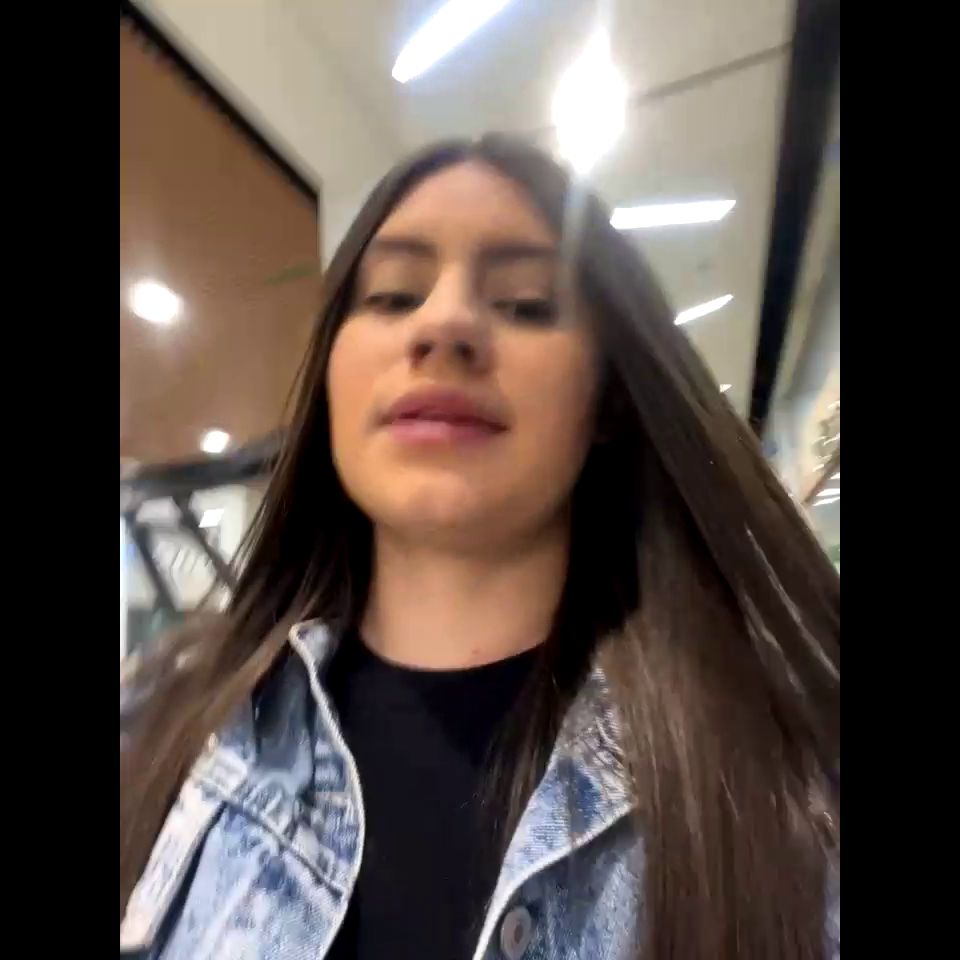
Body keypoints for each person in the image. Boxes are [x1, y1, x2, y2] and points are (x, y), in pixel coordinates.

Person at [120, 135, 840, 960]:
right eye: (393, 296)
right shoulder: (168, 722)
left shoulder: (777, 783)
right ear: (330, 376)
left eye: (526, 304)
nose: (445, 323)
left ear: (608, 399)